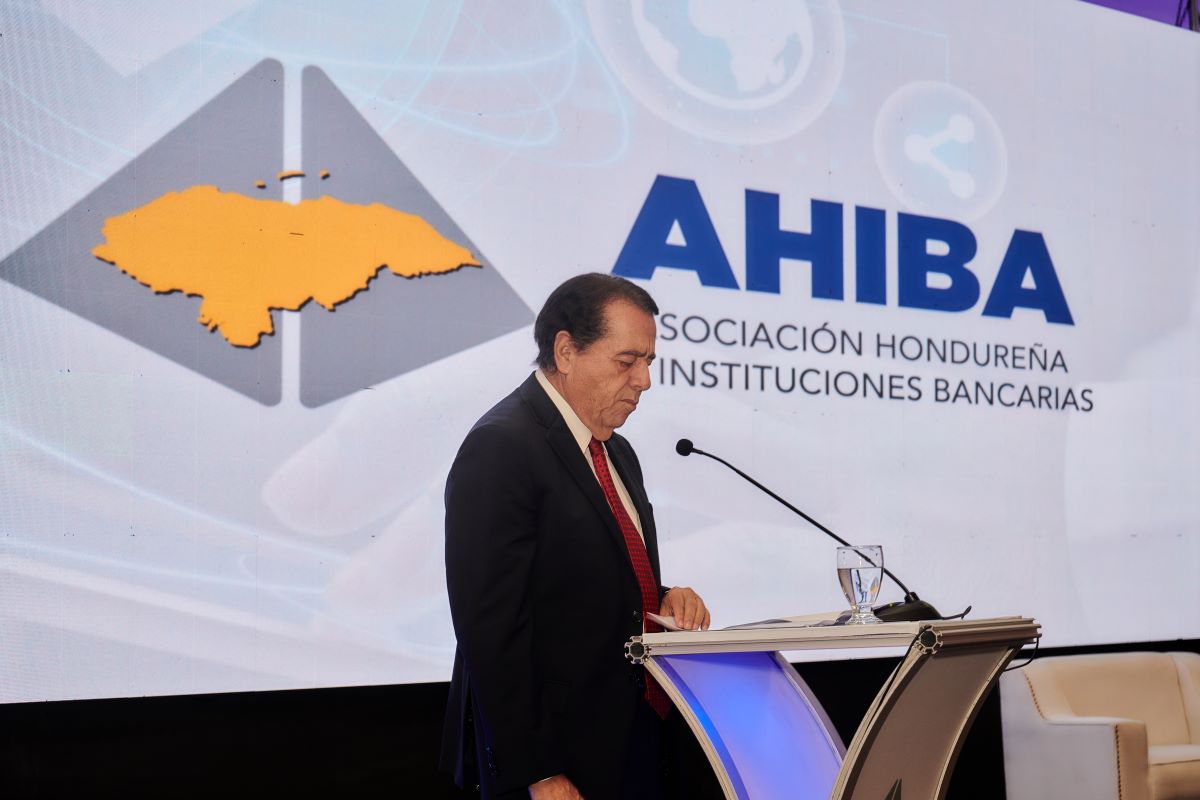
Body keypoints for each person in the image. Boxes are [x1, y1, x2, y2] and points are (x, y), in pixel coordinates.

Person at [441, 273, 711, 799]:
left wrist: (662, 598)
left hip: (631, 741)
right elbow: (491, 630)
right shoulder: (502, 446)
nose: (644, 380)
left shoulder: (616, 451)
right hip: (556, 762)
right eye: (627, 361)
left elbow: (579, 577)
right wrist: (539, 772)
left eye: (649, 362)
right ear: (566, 351)